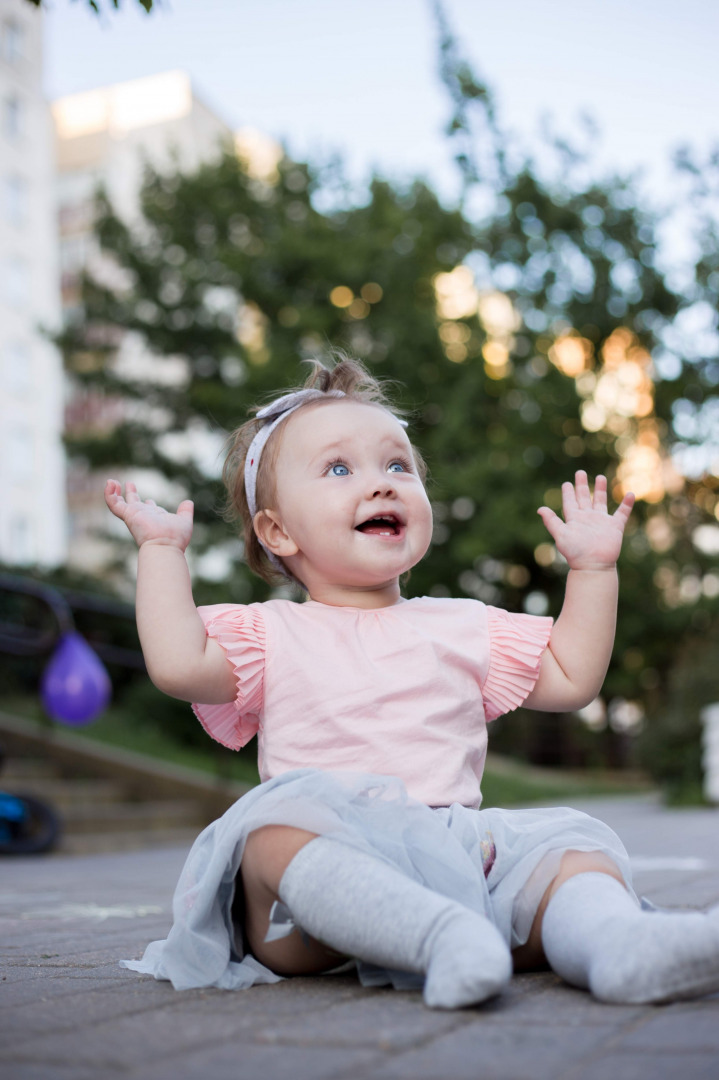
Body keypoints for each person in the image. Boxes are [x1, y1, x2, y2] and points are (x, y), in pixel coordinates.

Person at [106, 357, 719, 1008]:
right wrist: (161, 553)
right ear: (277, 531)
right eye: (339, 469)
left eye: (397, 466)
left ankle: (617, 945)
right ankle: (442, 939)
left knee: (571, 854)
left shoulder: (460, 625)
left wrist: (593, 571)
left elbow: (569, 677)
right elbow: (177, 665)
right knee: (268, 839)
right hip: (332, 885)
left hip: (458, 854)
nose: (380, 485)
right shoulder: (269, 633)